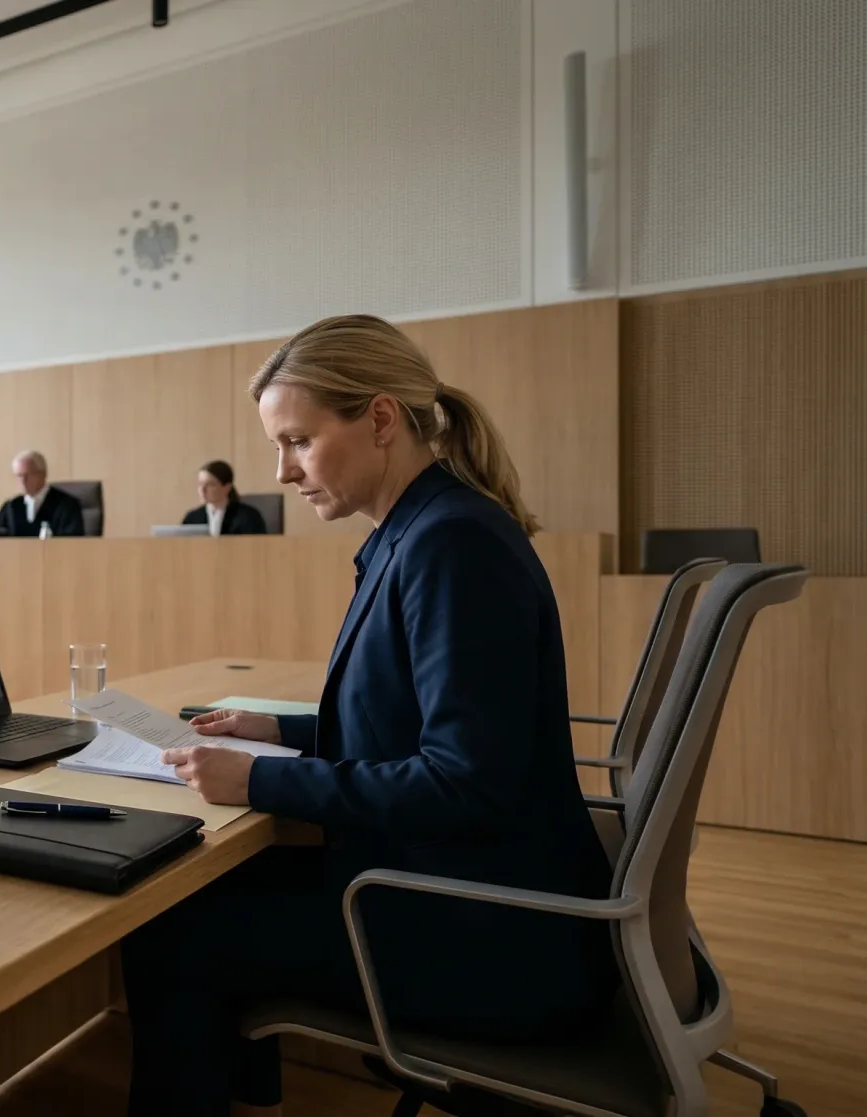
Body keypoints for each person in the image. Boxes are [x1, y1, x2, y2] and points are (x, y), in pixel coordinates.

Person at [121, 314, 613, 1117]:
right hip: (456, 889)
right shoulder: (417, 531)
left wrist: (264, 781)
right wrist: (278, 732)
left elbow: (464, 785)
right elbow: (418, 725)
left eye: (298, 441)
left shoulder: (452, 545)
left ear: (381, 419)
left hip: (491, 935)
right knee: (192, 904)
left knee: (172, 934)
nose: (281, 470)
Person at [0, 450, 85, 537]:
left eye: (27, 475)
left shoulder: (67, 505)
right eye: (19, 476)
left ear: (43, 474)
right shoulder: (11, 507)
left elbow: (73, 543)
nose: (23, 481)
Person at [181, 459, 267, 536]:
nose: (202, 490)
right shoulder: (192, 518)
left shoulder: (248, 516)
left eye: (210, 484)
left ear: (226, 488)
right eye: (200, 484)